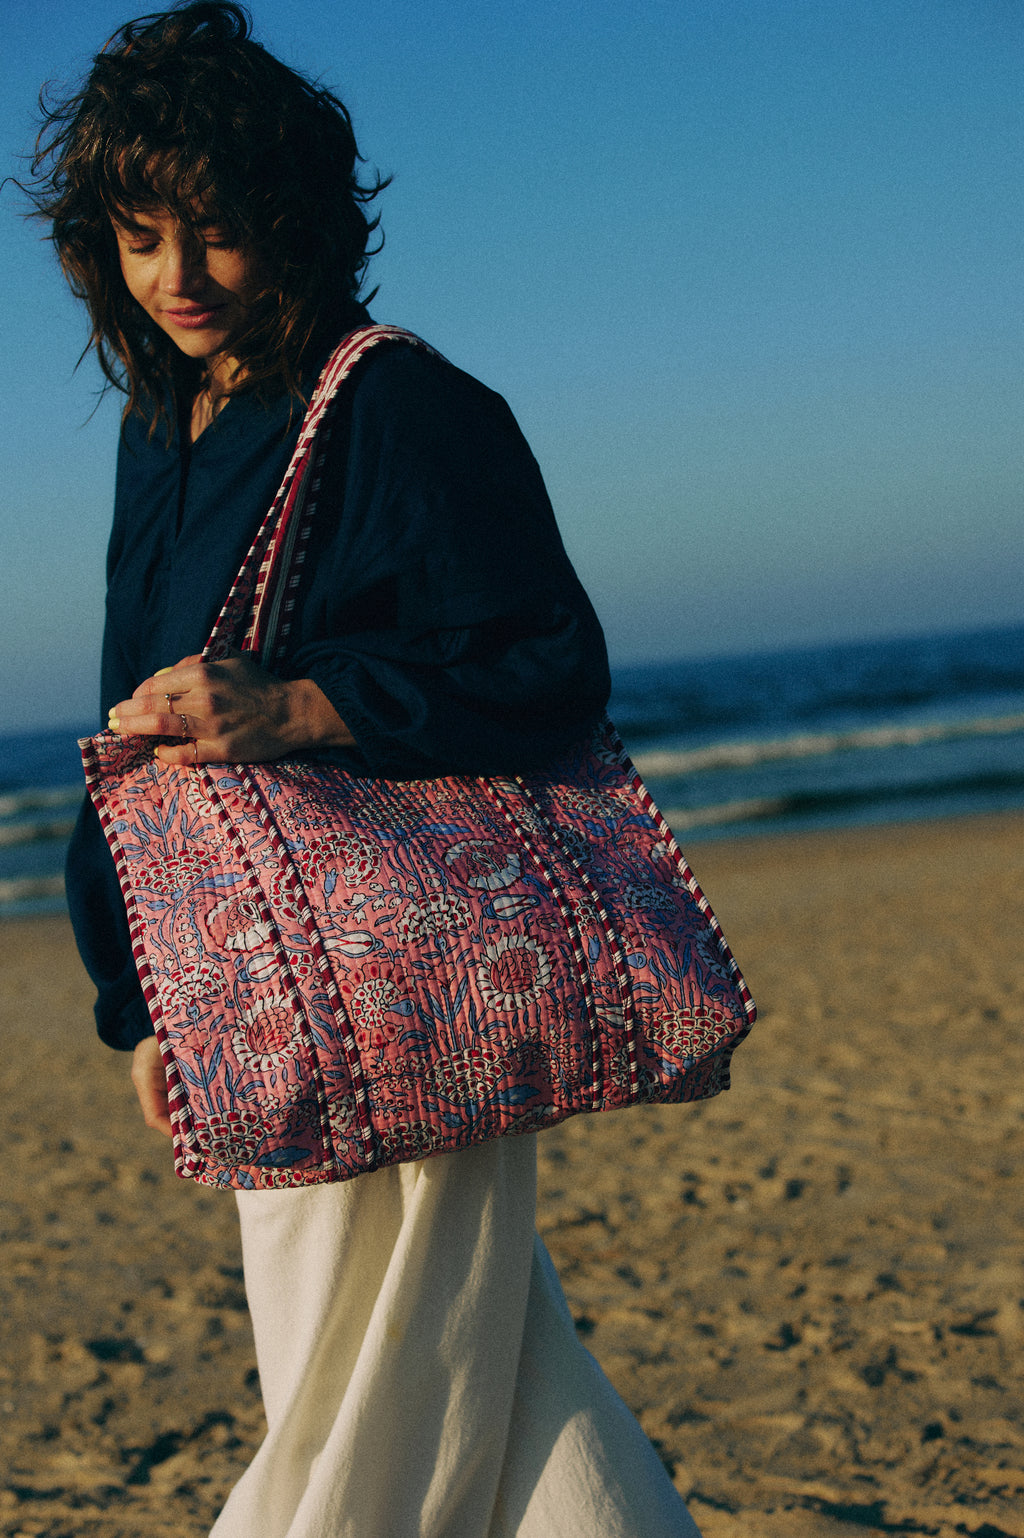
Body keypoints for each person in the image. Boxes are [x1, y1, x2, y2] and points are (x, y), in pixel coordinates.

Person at [31, 5, 705, 1534]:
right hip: (249, 975)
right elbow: (129, 723)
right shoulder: (163, 421)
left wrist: (303, 706)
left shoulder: (398, 401)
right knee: (473, 1358)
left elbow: (549, 663)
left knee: (354, 1392)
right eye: (141, 237)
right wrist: (141, 994)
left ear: (295, 216)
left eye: (215, 230)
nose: (180, 277)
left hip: (400, 969)